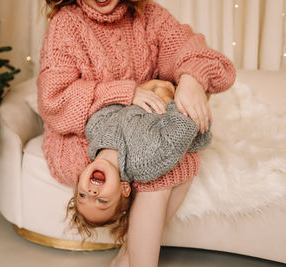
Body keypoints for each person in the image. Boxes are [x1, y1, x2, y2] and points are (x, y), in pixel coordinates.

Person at [37, 0, 236, 266]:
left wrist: (191, 79)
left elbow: (204, 58)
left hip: (140, 123)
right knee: (157, 166)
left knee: (181, 159)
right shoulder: (66, 22)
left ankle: (131, 252)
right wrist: (125, 92)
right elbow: (54, 100)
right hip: (84, 136)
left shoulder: (149, 15)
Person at [67, 81, 211, 243]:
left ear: (80, 179)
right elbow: (182, 130)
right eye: (102, 201)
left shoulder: (94, 131)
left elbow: (106, 105)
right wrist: (166, 97)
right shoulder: (143, 162)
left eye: (82, 195)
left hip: (144, 96)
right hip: (174, 114)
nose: (92, 193)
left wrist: (143, 90)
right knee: (192, 103)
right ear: (124, 188)